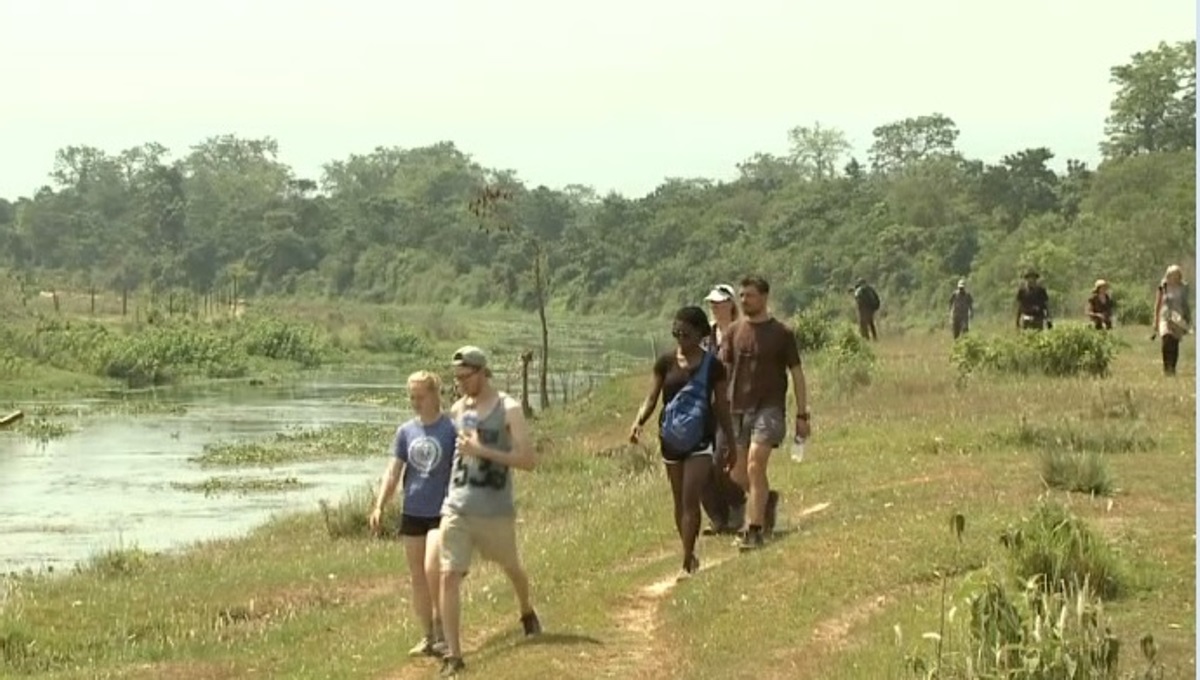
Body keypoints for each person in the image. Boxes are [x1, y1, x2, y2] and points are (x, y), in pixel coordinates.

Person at [438, 346, 541, 677]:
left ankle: (526, 610)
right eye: (457, 379)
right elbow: (458, 453)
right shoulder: (458, 409)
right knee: (449, 574)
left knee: (511, 567)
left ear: (483, 373)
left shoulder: (508, 409)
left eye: (466, 377)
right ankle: (454, 655)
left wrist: (481, 450)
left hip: (495, 509)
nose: (461, 384)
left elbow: (527, 460)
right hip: (457, 505)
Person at [630, 306, 736, 580]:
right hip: (671, 439)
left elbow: (722, 405)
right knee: (679, 500)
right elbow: (652, 398)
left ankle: (686, 560)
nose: (680, 338)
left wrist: (731, 443)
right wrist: (639, 422)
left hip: (701, 439)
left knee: (690, 498)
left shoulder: (714, 366)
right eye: (676, 332)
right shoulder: (665, 363)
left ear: (701, 334)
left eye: (685, 333)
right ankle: (689, 551)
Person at [369, 370, 456, 659]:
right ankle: (428, 635)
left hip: (441, 512)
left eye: (420, 396)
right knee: (418, 576)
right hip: (413, 510)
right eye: (411, 397)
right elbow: (393, 471)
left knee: (435, 571)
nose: (415, 402)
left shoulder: (450, 429)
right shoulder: (406, 432)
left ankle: (445, 631)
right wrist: (380, 504)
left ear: (435, 395)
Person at [719, 275, 811, 551]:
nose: (745, 300)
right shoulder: (734, 332)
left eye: (750, 295)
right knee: (736, 473)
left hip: (769, 408)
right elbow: (723, 373)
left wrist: (802, 415)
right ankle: (765, 501)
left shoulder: (782, 333)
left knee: (755, 464)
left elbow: (797, 375)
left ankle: (754, 529)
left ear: (765, 297)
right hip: (737, 409)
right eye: (742, 295)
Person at [699, 284, 749, 536]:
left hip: (731, 408)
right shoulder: (705, 336)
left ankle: (737, 505)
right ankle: (717, 517)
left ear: (731, 304)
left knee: (722, 461)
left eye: (720, 303)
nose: (716, 308)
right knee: (698, 465)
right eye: (712, 304)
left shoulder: (742, 332)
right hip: (706, 408)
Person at [1152, 265, 1191, 376]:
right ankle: (1166, 366)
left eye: (1177, 275)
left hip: (1178, 317)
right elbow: (1158, 304)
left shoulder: (1183, 287)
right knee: (1166, 338)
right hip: (1165, 316)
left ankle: (1172, 367)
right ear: (1168, 275)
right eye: (1172, 275)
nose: (1174, 277)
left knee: (1174, 342)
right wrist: (1155, 319)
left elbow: (1186, 304)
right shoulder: (1163, 287)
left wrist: (1188, 319)